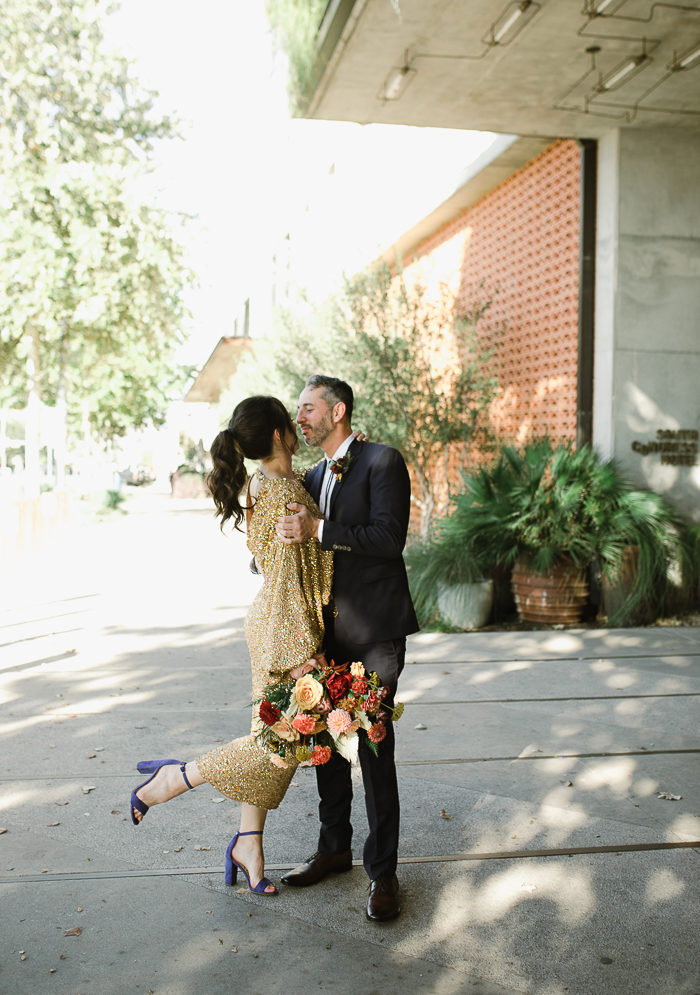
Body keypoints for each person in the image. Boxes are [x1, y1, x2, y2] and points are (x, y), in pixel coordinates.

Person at [129, 395, 333, 895]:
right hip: (285, 627)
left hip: (272, 619)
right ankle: (179, 777)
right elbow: (284, 577)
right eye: (295, 417)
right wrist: (302, 647)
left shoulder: (268, 482)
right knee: (280, 742)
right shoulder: (281, 493)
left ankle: (248, 843)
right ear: (282, 433)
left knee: (276, 741)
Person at [275, 375, 418, 922]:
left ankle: (383, 874)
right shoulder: (310, 474)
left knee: (375, 747)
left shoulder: (384, 462)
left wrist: (318, 529)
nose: (300, 418)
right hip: (324, 635)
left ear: (337, 410)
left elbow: (388, 537)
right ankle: (333, 848)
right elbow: (306, 542)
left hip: (377, 631)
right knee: (325, 746)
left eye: (308, 408)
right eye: (297, 409)